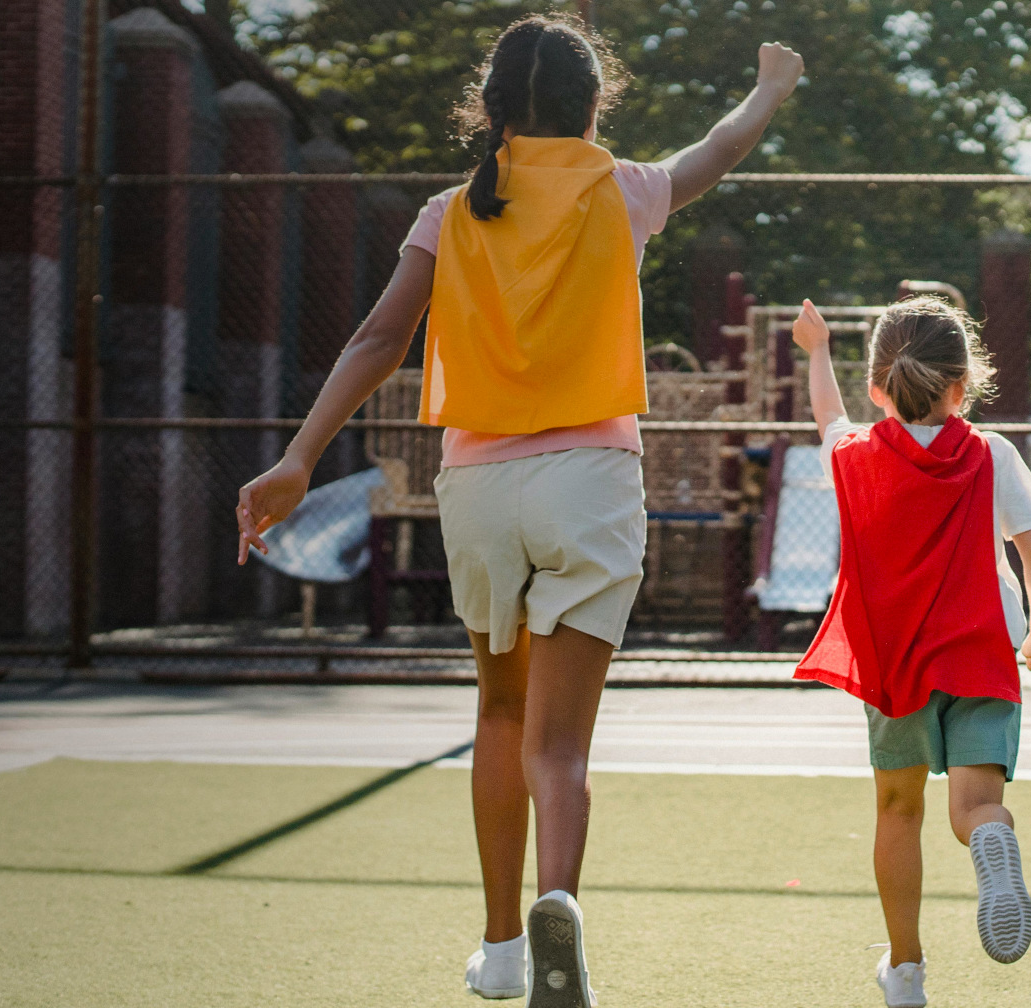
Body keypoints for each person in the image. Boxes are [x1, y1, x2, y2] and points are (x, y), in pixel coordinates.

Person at [233, 16, 802, 1005]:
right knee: (561, 746)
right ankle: (560, 911)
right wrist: (768, 87)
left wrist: (297, 457)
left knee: (499, 713)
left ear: (490, 110)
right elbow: (720, 148)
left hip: (480, 490)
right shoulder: (622, 189)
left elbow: (376, 338)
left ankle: (501, 950)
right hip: (589, 477)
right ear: (594, 106)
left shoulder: (448, 211)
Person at [789, 296, 1031, 1008]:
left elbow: (827, 416)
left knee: (898, 810)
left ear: (879, 385)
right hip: (981, 654)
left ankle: (906, 971)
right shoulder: (989, 453)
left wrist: (817, 349)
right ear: (961, 386)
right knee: (974, 806)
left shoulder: (854, 457)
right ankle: (991, 842)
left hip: (896, 664)